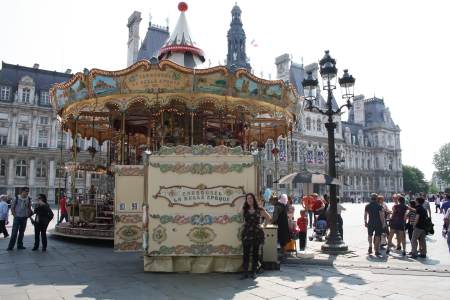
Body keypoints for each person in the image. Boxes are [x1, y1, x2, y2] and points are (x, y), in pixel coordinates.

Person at [240, 193, 271, 279]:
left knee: (255, 253)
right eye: (247, 199)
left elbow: (268, 218)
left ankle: (254, 272)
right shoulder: (244, 209)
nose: (249, 200)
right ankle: (245, 272)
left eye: (251, 198)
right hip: (247, 232)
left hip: (256, 233)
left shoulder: (259, 209)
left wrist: (263, 226)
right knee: (246, 253)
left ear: (254, 199)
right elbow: (240, 217)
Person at [272, 194, 290, 260]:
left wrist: (271, 221)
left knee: (281, 239)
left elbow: (275, 217)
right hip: (284, 224)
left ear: (275, 201)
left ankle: (283, 254)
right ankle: (284, 253)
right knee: (283, 240)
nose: (271, 203)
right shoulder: (283, 205)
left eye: (272, 201)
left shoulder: (277, 206)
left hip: (280, 225)